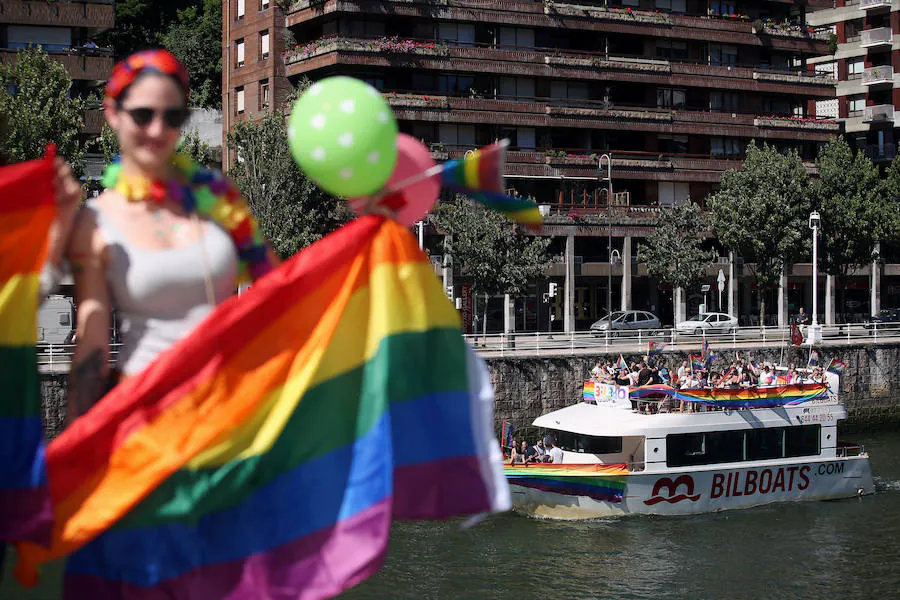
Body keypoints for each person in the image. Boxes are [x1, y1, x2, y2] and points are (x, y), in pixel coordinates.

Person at [46, 50, 278, 426]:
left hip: (231, 416)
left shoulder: (218, 195)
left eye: (172, 117)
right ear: (113, 115)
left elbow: (275, 288)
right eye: (142, 115)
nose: (157, 130)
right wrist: (82, 452)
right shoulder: (96, 221)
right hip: (148, 424)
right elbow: (92, 345)